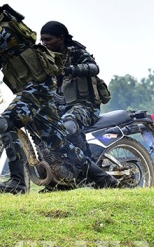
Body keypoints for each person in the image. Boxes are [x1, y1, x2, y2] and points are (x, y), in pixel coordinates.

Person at [0, 0, 119, 194]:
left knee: (6, 123)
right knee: (60, 144)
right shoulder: (4, 30)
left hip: (37, 88)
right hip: (41, 90)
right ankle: (107, 181)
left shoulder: (3, 32)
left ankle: (18, 182)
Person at [40, 21, 109, 156]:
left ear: (61, 39)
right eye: (42, 40)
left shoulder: (77, 53)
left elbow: (94, 68)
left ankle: (86, 159)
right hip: (59, 107)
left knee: (68, 124)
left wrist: (69, 70)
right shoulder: (45, 58)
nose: (44, 43)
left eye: (48, 39)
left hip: (85, 106)